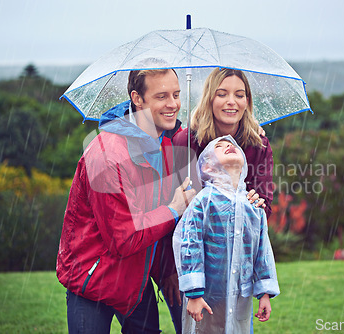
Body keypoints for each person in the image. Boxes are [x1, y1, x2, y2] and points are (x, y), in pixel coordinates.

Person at [56, 66, 196, 333]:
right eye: (162, 96)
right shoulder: (107, 156)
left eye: (176, 94)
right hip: (94, 281)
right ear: (137, 98)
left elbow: (156, 222)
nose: (173, 104)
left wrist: (166, 269)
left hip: (135, 281)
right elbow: (124, 237)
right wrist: (175, 208)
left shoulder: (166, 146)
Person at [173, 135, 280, 334]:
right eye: (219, 147)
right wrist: (194, 293)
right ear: (207, 168)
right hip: (208, 296)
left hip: (241, 296)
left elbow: (262, 250)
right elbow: (189, 245)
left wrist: (264, 292)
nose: (228, 146)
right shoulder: (202, 202)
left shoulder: (253, 206)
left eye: (232, 145)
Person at [173, 68, 274, 219]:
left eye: (239, 95)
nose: (231, 102)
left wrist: (256, 204)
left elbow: (264, 209)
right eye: (221, 94)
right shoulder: (186, 142)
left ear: (246, 102)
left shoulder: (259, 146)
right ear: (210, 98)